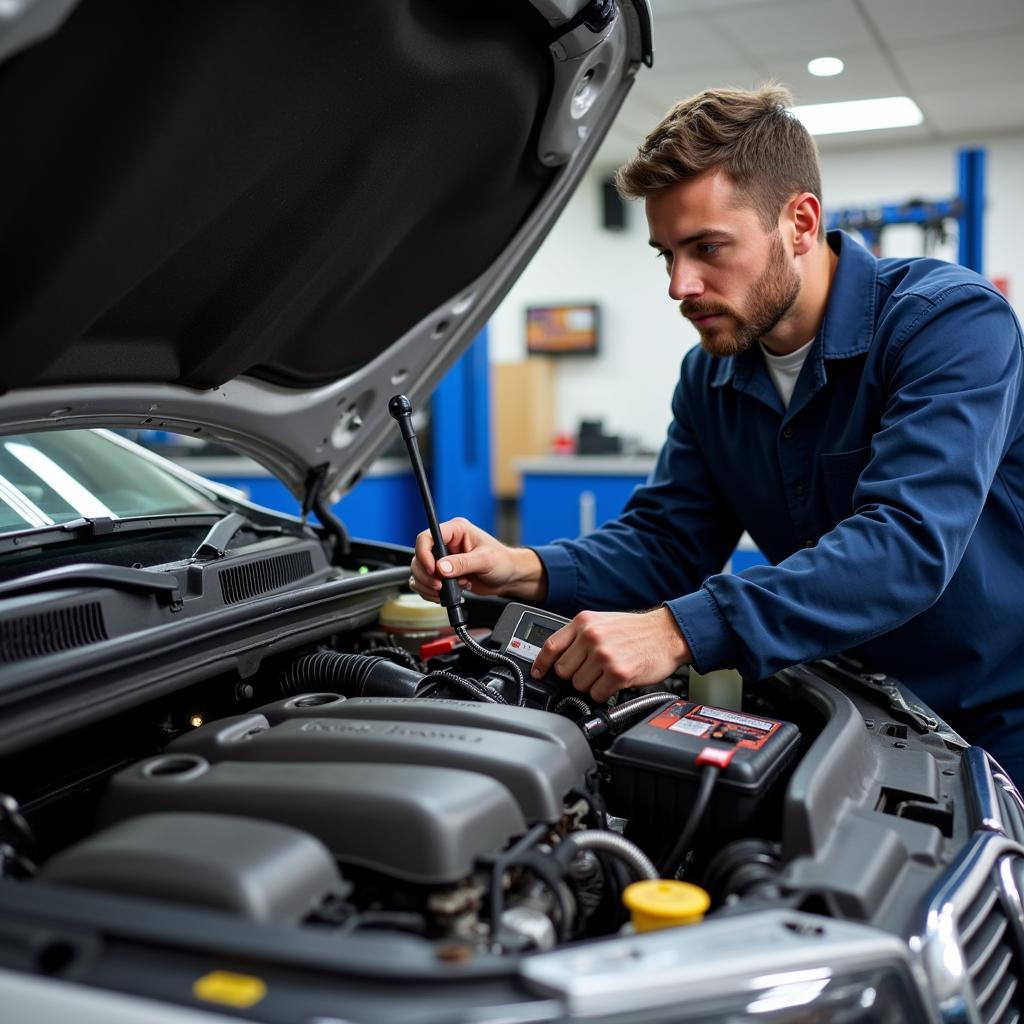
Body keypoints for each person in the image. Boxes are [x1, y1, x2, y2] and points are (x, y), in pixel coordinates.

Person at [411, 84, 1024, 783]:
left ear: (799, 222)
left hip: (996, 716)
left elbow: (904, 545)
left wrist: (676, 630)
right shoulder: (711, 378)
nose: (679, 284)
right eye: (666, 255)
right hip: (848, 709)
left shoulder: (949, 326)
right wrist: (525, 567)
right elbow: (668, 543)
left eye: (706, 247)